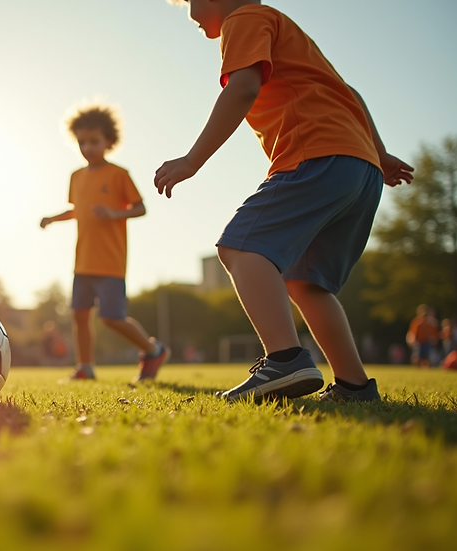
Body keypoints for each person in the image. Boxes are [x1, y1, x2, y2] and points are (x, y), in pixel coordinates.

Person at [156, 0, 414, 402]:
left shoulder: (242, 19)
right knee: (305, 282)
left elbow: (243, 88)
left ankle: (285, 359)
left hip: (317, 156)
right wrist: (378, 153)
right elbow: (354, 95)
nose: (188, 7)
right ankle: (354, 386)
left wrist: (192, 160)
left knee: (241, 247)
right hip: (360, 170)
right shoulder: (285, 29)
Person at [41, 106, 169, 381]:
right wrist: (53, 218)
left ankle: (153, 349)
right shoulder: (76, 177)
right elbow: (78, 210)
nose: (87, 147)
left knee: (111, 317)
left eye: (93, 142)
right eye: (82, 142)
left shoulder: (118, 174)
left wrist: (114, 213)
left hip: (110, 262)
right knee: (79, 316)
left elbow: (140, 208)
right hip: (83, 261)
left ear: (109, 142)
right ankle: (85, 367)